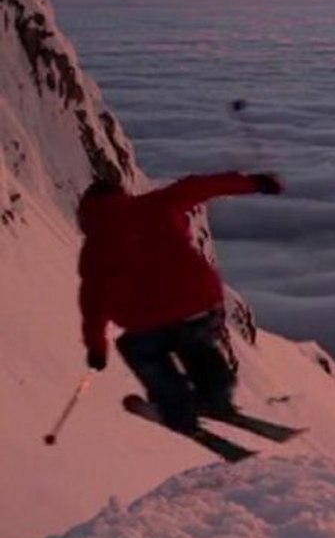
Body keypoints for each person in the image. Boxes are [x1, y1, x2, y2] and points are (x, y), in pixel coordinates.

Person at [77, 171, 284, 434]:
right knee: (198, 346)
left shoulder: (93, 251)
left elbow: (93, 304)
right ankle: (216, 397)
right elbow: (201, 186)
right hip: (199, 305)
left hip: (146, 323)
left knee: (141, 350)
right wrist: (254, 183)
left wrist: (97, 348)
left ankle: (176, 409)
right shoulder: (157, 204)